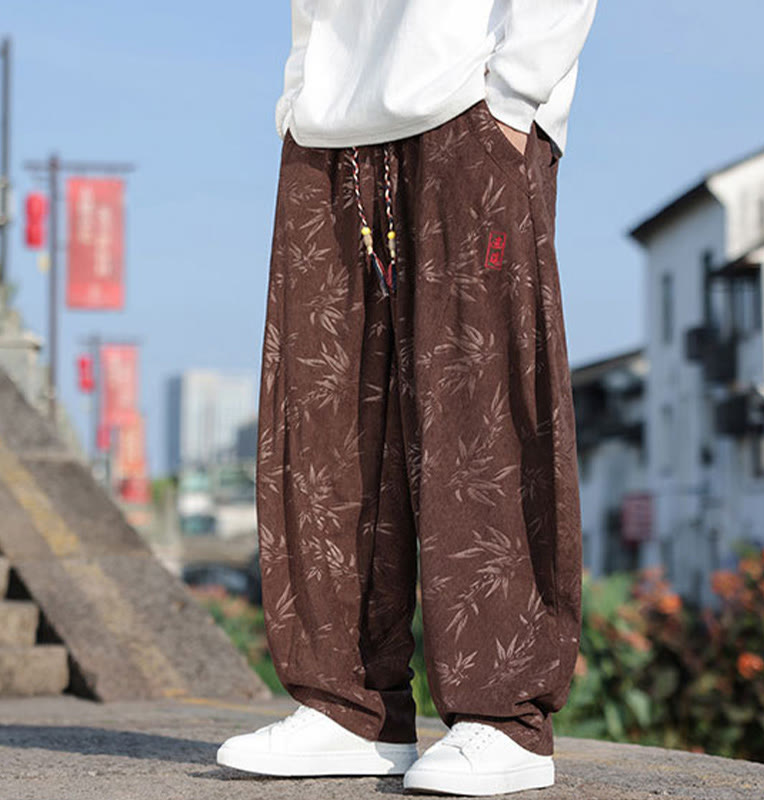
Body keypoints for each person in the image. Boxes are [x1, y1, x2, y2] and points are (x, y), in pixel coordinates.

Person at [217, 1, 597, 795]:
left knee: (479, 413)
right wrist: (300, 91)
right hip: (330, 118)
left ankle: (505, 719)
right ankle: (349, 708)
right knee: (325, 419)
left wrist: (517, 93)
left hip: (471, 100)